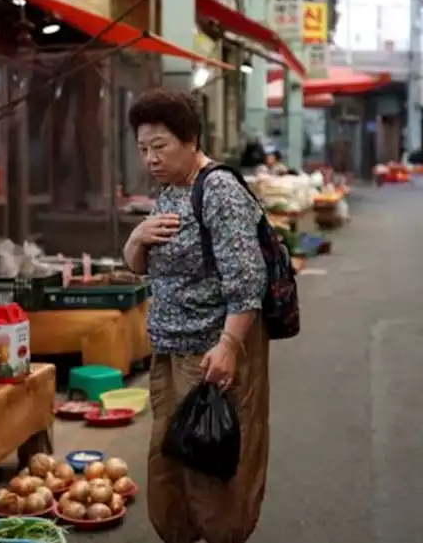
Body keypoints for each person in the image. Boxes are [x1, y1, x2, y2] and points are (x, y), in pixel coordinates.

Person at [122, 89, 270, 543]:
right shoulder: (169, 191)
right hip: (168, 350)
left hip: (212, 355)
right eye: (143, 148)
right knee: (170, 456)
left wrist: (228, 346)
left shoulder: (219, 190)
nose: (150, 158)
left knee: (214, 461)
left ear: (190, 139)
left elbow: (248, 281)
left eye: (160, 146)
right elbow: (141, 264)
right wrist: (137, 238)